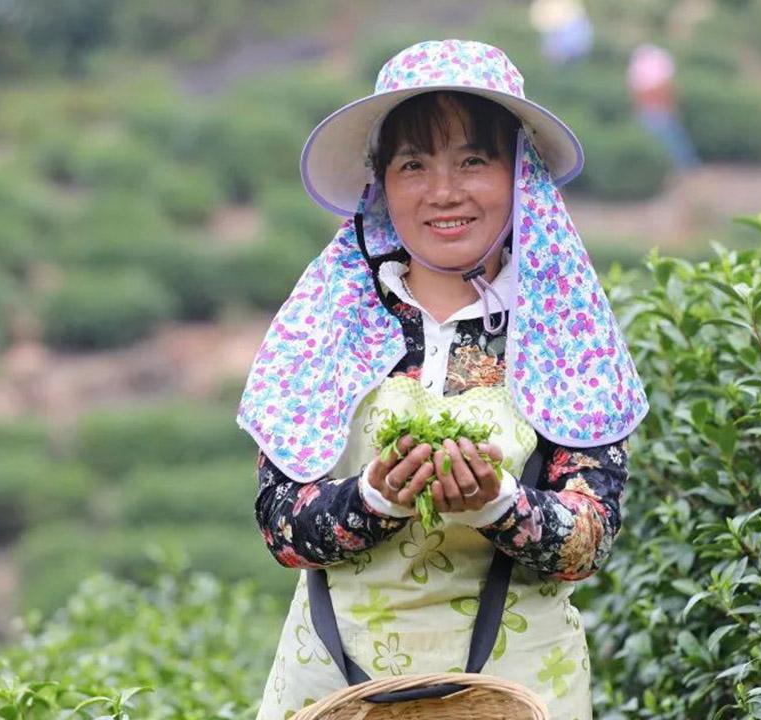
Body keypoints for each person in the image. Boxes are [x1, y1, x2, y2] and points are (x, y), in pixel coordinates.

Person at [238, 39, 648, 719]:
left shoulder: (563, 325)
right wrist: (375, 495)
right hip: (339, 688)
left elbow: (589, 539)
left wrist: (497, 504)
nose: (444, 191)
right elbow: (281, 524)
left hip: (520, 689)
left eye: (473, 160)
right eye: (413, 164)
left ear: (520, 173)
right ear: (382, 182)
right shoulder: (328, 317)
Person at [627, 43, 700, 171]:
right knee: (667, 138)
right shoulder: (651, 66)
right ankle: (682, 165)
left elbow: (665, 89)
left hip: (658, 110)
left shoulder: (655, 65)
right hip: (652, 110)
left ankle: (684, 165)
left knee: (672, 138)